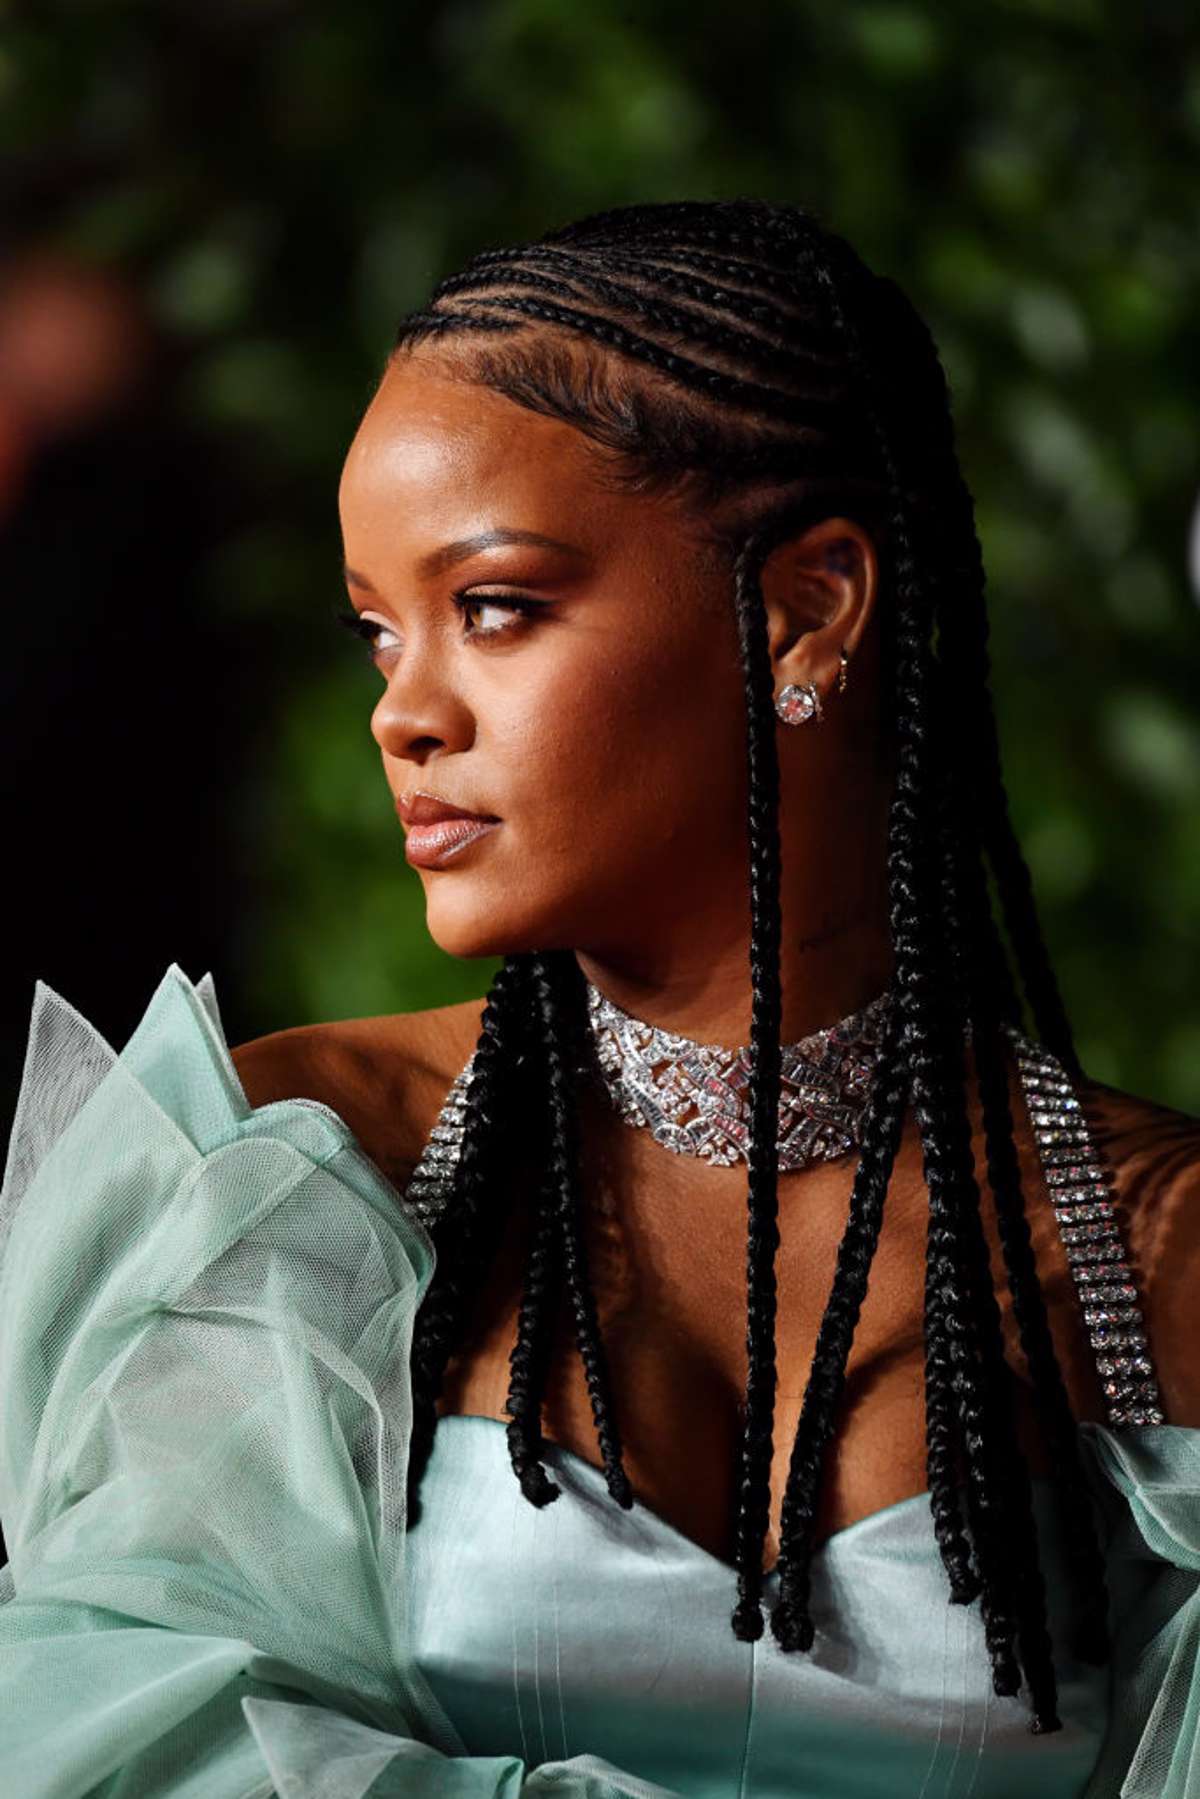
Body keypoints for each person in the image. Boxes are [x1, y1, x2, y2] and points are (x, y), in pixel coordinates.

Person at [1, 198, 1197, 1798]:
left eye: (492, 606)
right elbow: (116, 1744)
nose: (404, 714)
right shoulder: (292, 1176)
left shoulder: (1147, 1249)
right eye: (377, 634)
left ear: (808, 606)